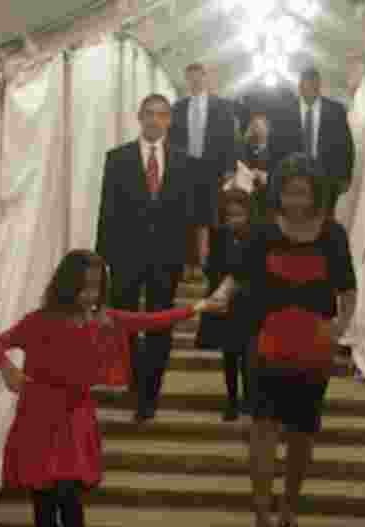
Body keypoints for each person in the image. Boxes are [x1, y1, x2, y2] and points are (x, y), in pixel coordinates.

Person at [0, 249, 221, 527]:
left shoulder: (104, 321)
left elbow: (152, 320)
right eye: (84, 287)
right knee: (43, 503)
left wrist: (199, 307)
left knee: (69, 496)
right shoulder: (39, 321)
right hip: (38, 415)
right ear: (66, 286)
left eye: (96, 288)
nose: (91, 295)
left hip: (74, 416)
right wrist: (7, 369)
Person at [206, 154, 357, 527]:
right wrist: (220, 296)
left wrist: (338, 329)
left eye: (302, 193)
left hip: (314, 349)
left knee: (302, 436)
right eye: (288, 192)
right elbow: (236, 275)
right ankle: (261, 519)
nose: (294, 201)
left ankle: (289, 502)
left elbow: (347, 290)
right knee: (263, 434)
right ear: (278, 193)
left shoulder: (333, 235)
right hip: (266, 345)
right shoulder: (261, 232)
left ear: (315, 194)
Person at [96, 93, 209, 423]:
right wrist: (103, 263)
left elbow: (191, 214)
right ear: (139, 117)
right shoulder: (117, 159)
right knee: (127, 324)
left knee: (161, 325)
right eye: (149, 114)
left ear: (169, 120)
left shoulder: (185, 162)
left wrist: (193, 258)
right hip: (125, 256)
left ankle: (150, 395)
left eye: (161, 115)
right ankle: (135, 385)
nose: (154, 120)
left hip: (167, 257)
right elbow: (107, 213)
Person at [170, 62, 239, 274]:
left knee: (211, 215)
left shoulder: (223, 106)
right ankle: (188, 263)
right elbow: (172, 139)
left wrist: (230, 167)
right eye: (190, 78)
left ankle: (208, 262)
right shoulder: (178, 108)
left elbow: (230, 139)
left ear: (205, 77)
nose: (194, 81)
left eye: (198, 77)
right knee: (186, 215)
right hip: (185, 167)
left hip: (213, 167)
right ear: (186, 81)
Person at [196, 188, 255, 421]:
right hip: (227, 305)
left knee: (249, 357)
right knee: (230, 356)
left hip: (249, 305)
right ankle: (231, 401)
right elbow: (211, 267)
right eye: (230, 215)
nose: (235, 220)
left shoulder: (255, 236)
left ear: (248, 214)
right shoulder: (219, 235)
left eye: (239, 215)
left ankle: (250, 399)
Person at [272, 65, 355, 203]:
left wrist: (345, 177)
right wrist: (275, 177)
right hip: (292, 179)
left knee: (324, 218)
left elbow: (345, 145)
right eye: (305, 84)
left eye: (313, 84)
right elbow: (275, 147)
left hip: (327, 177)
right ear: (299, 86)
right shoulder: (284, 112)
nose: (309, 88)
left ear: (318, 86)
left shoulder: (335, 111)